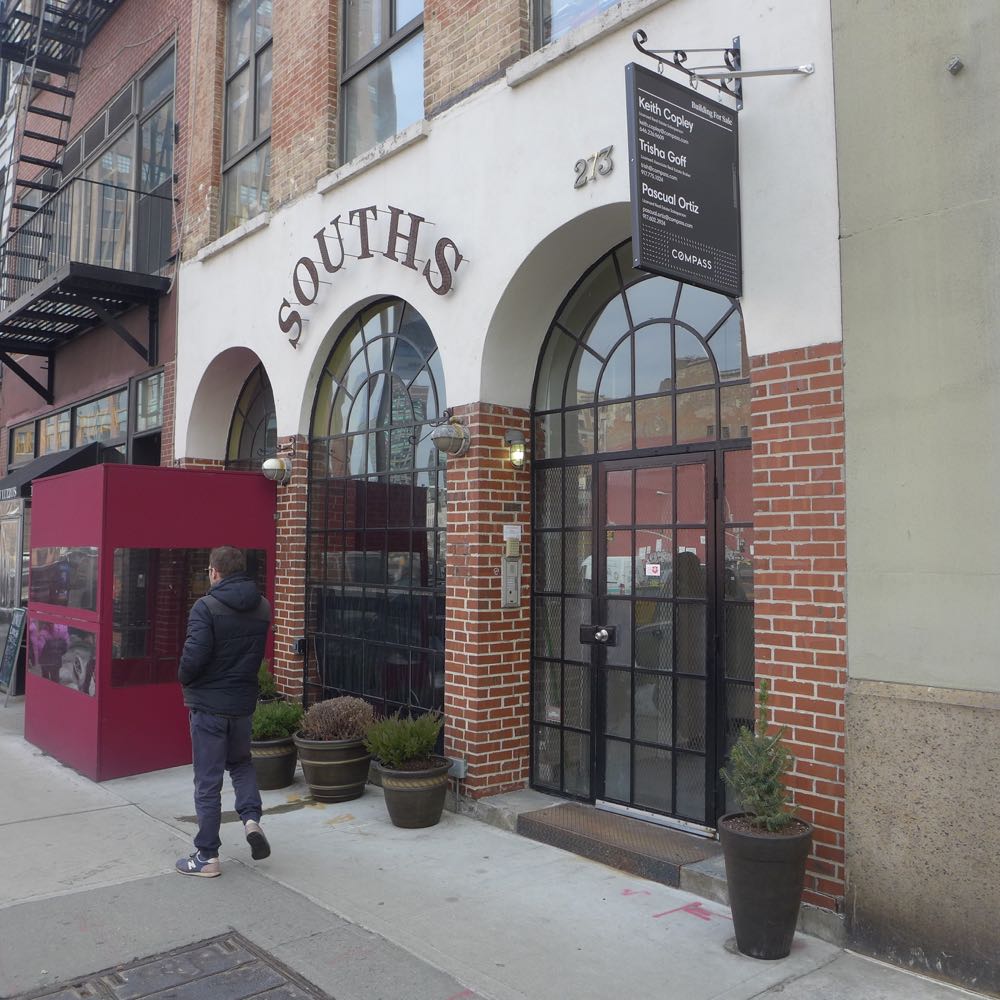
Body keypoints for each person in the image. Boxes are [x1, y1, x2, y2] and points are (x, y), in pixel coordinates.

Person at [175, 546, 272, 878]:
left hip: (209, 706)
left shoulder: (205, 607)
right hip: (242, 704)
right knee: (241, 764)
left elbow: (194, 658)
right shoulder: (262, 607)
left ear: (214, 572)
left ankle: (207, 856)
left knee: (208, 780)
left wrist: (184, 678)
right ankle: (251, 820)